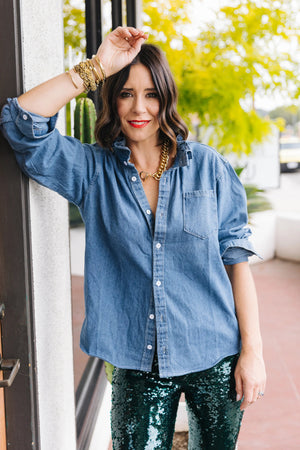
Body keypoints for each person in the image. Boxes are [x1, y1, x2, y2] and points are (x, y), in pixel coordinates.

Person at [0, 26, 266, 449]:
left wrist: (253, 352)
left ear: (166, 100)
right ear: (112, 101)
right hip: (134, 362)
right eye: (125, 93)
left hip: (214, 352)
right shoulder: (92, 172)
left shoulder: (208, 168)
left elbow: (236, 262)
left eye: (151, 94)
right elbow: (22, 124)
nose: (139, 107)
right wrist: (98, 67)